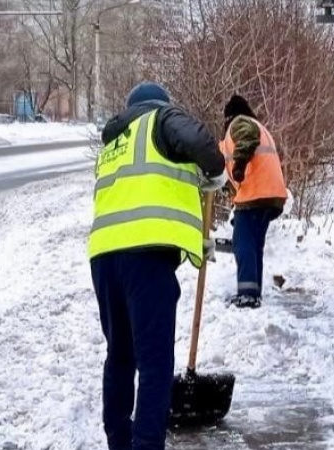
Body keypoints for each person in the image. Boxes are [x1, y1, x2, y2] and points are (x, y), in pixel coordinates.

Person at [88, 82, 226, 450]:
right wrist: (216, 170)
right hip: (145, 260)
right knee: (155, 362)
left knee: (120, 356)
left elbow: (143, 198)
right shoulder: (160, 118)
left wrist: (192, 239)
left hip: (104, 258)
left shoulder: (114, 143)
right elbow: (198, 141)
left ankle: (119, 442)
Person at [218, 95, 287, 309]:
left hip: (255, 193)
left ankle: (247, 295)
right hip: (271, 194)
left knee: (243, 243)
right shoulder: (260, 126)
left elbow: (247, 139)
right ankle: (253, 293)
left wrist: (239, 166)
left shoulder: (240, 122)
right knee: (254, 245)